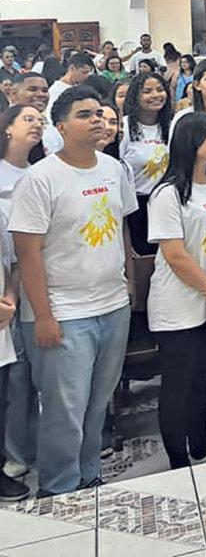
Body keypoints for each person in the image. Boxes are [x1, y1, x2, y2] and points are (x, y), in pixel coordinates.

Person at [9, 86, 136, 495]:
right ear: (61, 127)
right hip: (63, 311)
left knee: (97, 402)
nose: (98, 120)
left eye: (100, 113)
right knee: (64, 408)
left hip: (112, 304)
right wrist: (43, 317)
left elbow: (123, 230)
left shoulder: (114, 169)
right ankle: (59, 487)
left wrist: (130, 282)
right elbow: (28, 254)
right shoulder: (40, 178)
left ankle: (87, 474)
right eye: (85, 115)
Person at [147, 113, 206, 468]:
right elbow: (174, 254)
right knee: (178, 384)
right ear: (188, 140)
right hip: (178, 301)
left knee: (202, 376)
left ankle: (201, 447)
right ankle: (178, 462)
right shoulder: (167, 193)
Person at [0, 106, 44, 498]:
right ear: (7, 127)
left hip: (37, 278)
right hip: (8, 282)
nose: (36, 124)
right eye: (27, 118)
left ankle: (35, 444)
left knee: (35, 368)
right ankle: (14, 452)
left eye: (39, 119)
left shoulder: (42, 172)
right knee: (14, 374)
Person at [120, 72, 173, 255]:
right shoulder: (124, 127)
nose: (155, 95)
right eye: (147, 91)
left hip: (167, 203)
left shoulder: (172, 125)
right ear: (135, 96)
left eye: (160, 90)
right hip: (136, 206)